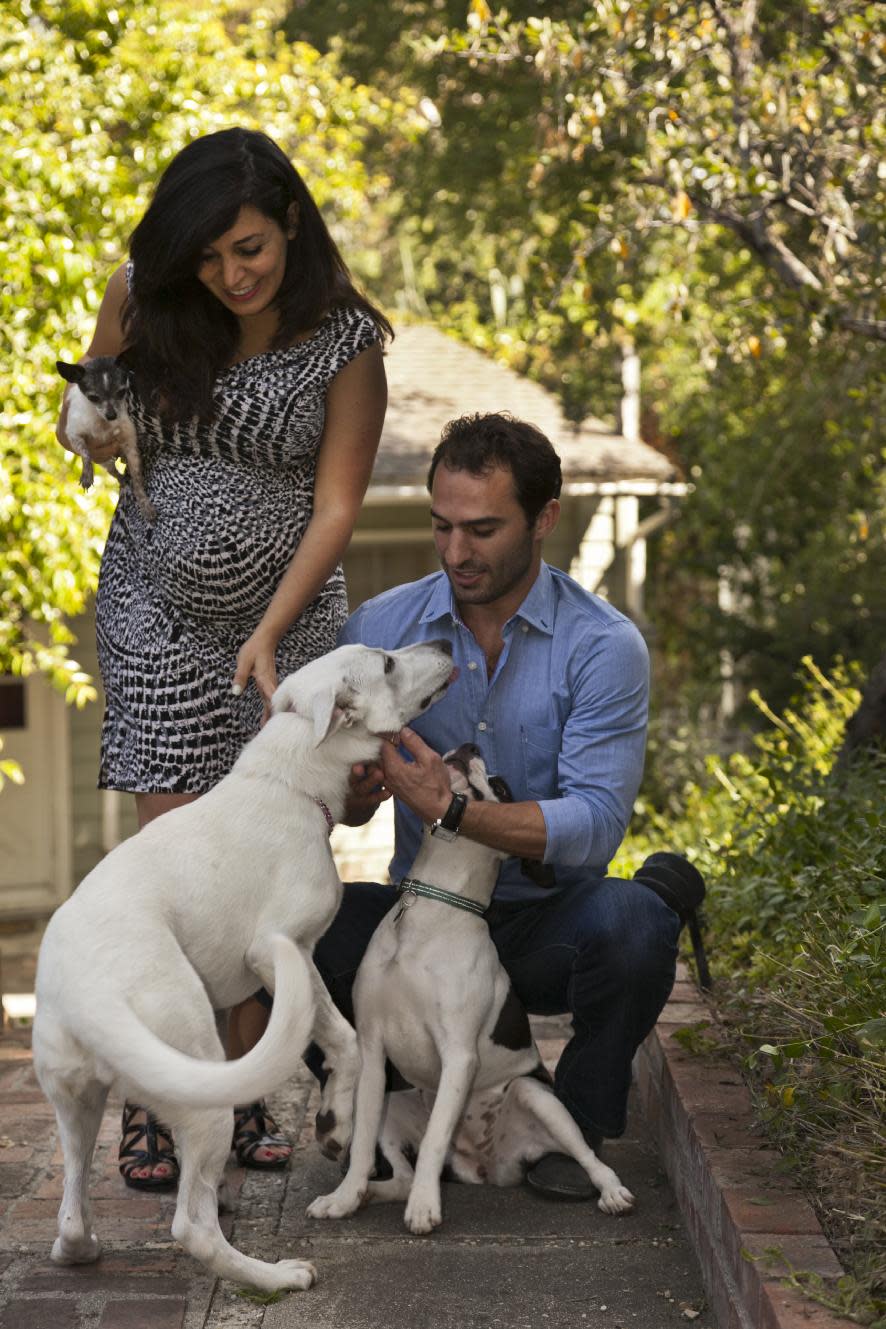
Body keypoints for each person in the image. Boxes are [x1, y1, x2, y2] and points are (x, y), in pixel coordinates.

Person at [55, 127, 389, 1189]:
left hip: (283, 630)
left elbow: (338, 507)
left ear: (289, 220)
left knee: (266, 869)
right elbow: (82, 415)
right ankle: (161, 1102)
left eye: (248, 247)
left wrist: (268, 631)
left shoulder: (344, 342)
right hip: (152, 606)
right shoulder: (145, 300)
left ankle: (246, 1087)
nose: (233, 274)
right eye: (208, 257)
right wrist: (92, 430)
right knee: (181, 868)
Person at [309, 411, 702, 1199]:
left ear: (544, 518)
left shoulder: (603, 645)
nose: (456, 552)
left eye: (483, 529)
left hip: (544, 925)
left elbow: (592, 827)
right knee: (301, 926)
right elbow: (336, 806)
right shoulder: (380, 629)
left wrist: (455, 812)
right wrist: (351, 795)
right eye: (442, 525)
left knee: (635, 926)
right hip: (419, 923)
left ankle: (572, 1124)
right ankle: (394, 1120)